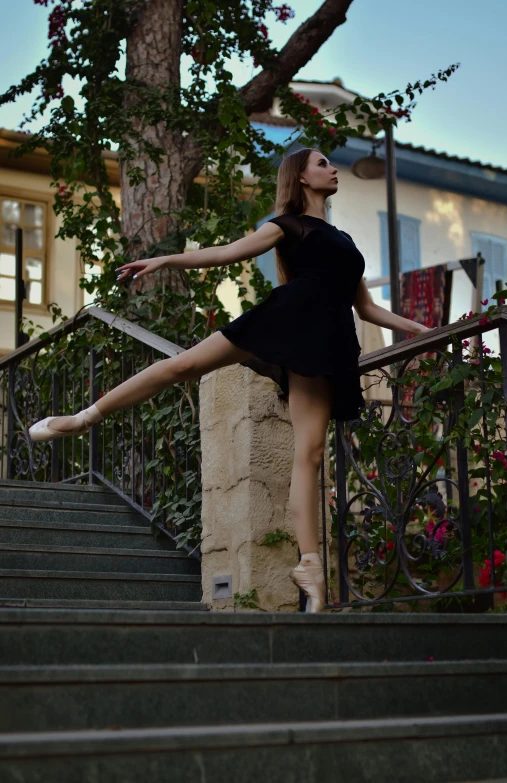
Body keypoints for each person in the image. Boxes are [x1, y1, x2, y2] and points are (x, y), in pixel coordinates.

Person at [29, 147, 433, 612]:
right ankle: (84, 417)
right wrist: (166, 262)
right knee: (184, 365)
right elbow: (228, 252)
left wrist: (419, 329)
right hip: (286, 317)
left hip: (329, 338)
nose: (333, 168)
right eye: (322, 163)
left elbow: (365, 308)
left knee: (312, 453)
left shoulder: (345, 241)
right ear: (300, 177)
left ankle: (310, 568)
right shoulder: (288, 226)